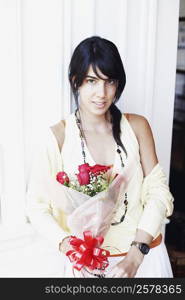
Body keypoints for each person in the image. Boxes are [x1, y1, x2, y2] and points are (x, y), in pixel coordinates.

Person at [26, 36, 174, 278]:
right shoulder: (59, 137)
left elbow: (158, 192)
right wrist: (71, 248)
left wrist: (136, 256)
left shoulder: (137, 127)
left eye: (110, 82)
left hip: (143, 259)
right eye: (92, 81)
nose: (102, 93)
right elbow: (36, 207)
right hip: (86, 267)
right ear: (76, 82)